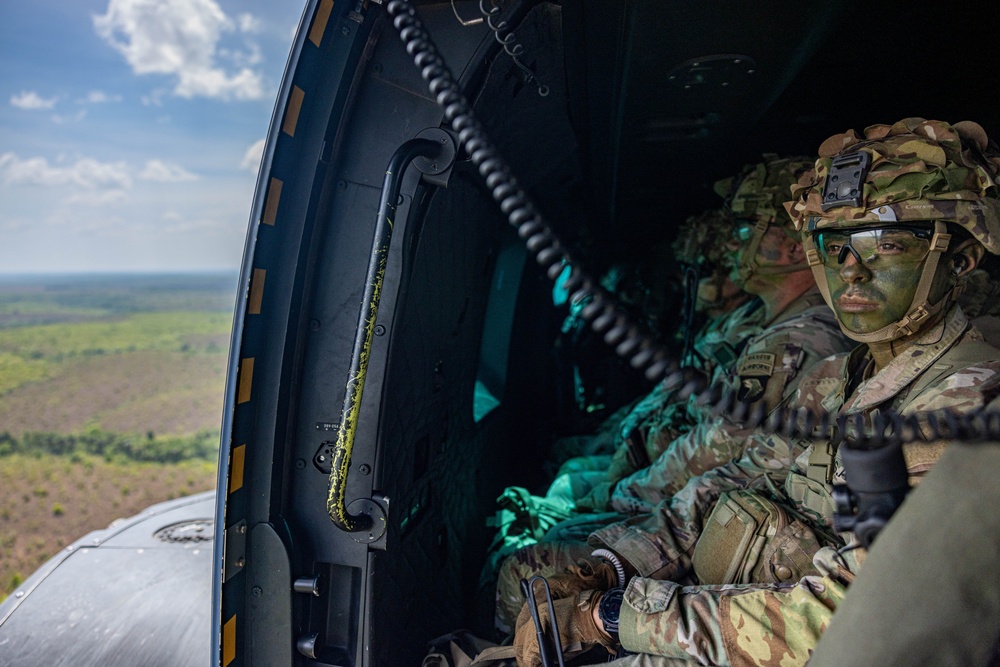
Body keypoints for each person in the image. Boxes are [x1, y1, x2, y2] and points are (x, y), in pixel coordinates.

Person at [509, 118, 1000, 667]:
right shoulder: (837, 377)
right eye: (835, 246)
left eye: (884, 245)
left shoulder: (966, 409)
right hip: (749, 613)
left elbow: (856, 614)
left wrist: (620, 615)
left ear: (959, 262)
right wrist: (613, 564)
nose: (851, 272)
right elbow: (746, 479)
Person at [496, 155, 854, 630]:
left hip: (736, 544)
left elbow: (717, 454)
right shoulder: (765, 327)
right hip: (702, 518)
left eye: (747, 227)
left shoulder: (805, 340)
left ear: (791, 246)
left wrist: (618, 501)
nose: (732, 244)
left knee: (529, 569)